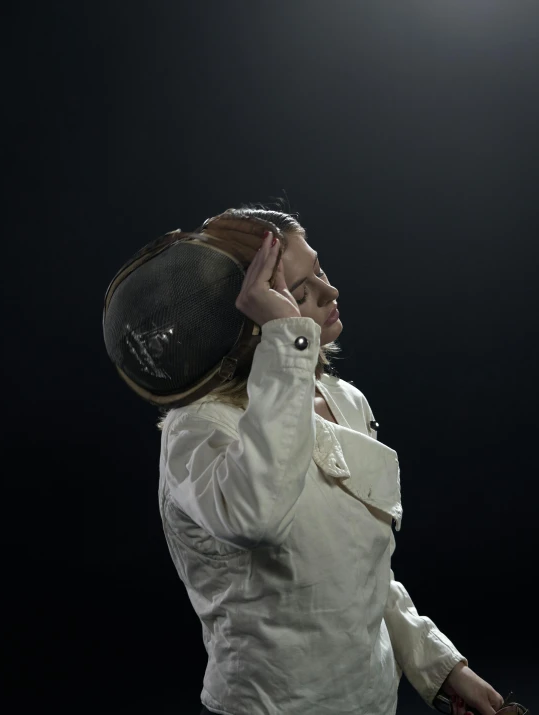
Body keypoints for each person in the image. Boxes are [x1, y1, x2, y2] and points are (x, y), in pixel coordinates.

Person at [157, 206, 505, 715]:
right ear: (250, 322)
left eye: (318, 270)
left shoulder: (346, 400)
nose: (329, 292)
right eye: (298, 293)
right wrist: (289, 336)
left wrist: (443, 668)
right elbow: (258, 517)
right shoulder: (198, 430)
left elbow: (361, 575)